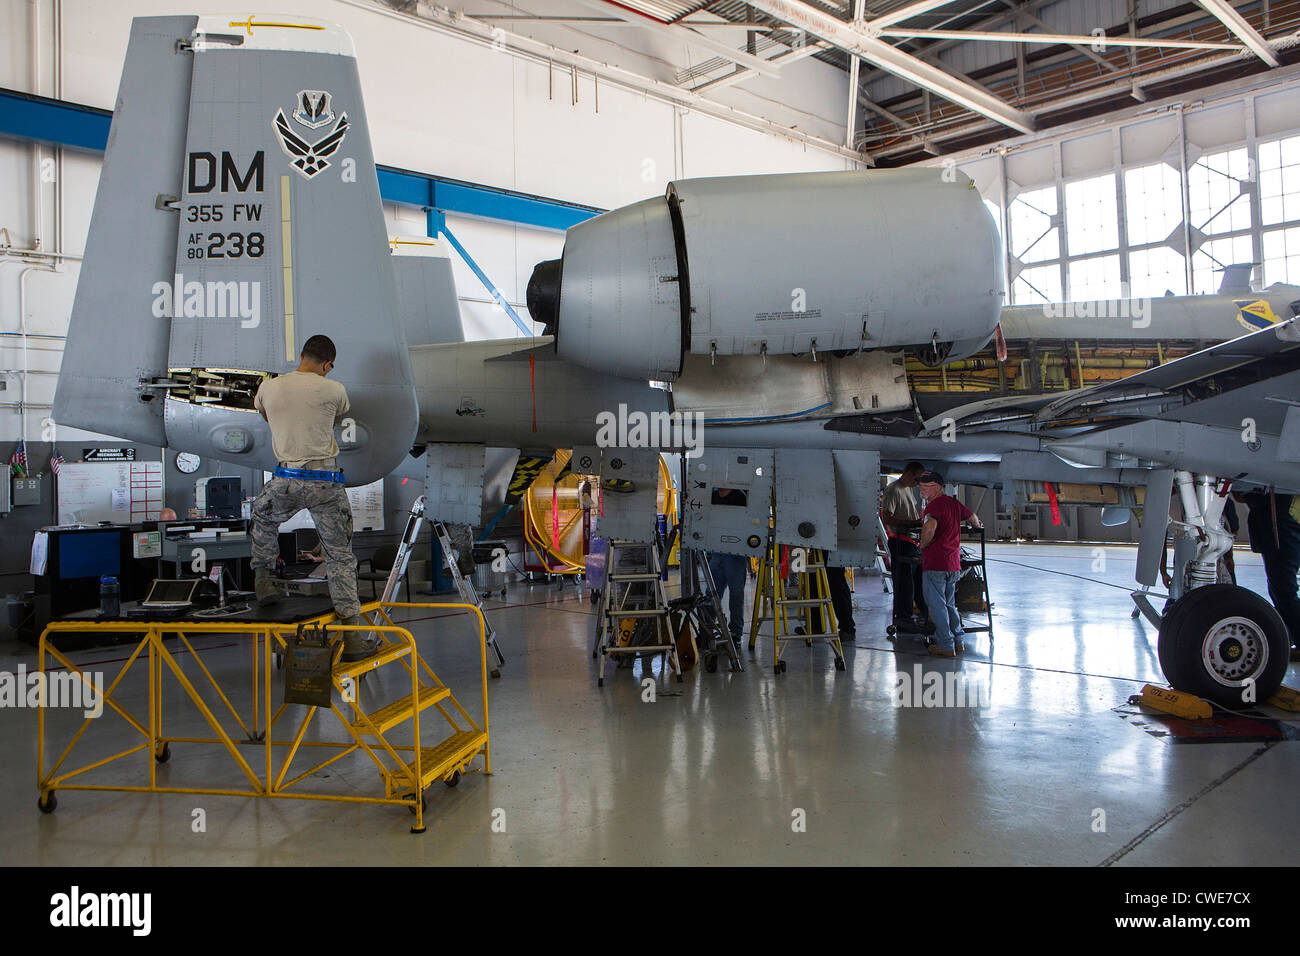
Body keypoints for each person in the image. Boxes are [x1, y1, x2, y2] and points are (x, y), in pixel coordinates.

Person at [250, 334, 372, 661]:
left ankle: (263, 581)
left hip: (287, 478)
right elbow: (334, 418)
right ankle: (354, 640)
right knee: (339, 556)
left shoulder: (270, 387)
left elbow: (265, 416)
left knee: (261, 517)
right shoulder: (333, 389)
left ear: (302, 355)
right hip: (325, 481)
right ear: (327, 364)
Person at [917, 470, 983, 657]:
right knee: (949, 604)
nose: (921, 490)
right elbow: (973, 519)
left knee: (936, 606)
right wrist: (978, 527)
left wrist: (923, 544)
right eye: (920, 486)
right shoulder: (954, 504)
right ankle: (958, 640)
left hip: (936, 562)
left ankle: (945, 644)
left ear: (937, 488)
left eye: (925, 487)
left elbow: (929, 528)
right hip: (953, 563)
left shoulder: (934, 507)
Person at [1241, 488, 1300, 660]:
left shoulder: (1281, 492)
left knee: (1284, 590)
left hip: (1281, 531)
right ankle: (1286, 638)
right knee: (1278, 589)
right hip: (1274, 531)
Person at [881, 461, 928, 629]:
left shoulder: (908, 489)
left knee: (917, 582)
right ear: (908, 473)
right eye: (917, 479)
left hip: (912, 540)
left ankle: (924, 613)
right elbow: (887, 518)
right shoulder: (893, 490)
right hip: (900, 541)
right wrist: (910, 523)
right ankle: (903, 617)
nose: (918, 484)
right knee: (905, 583)